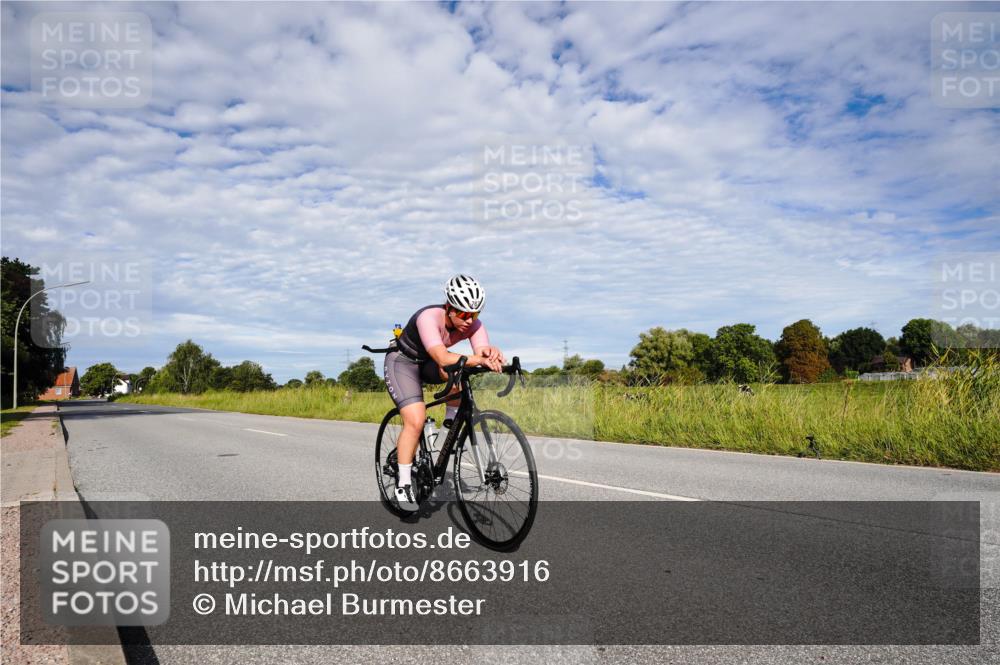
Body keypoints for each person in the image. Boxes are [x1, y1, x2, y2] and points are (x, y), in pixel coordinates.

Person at [383, 274, 505, 510]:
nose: (469, 320)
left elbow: (480, 353)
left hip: (427, 363)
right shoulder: (428, 317)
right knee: (415, 420)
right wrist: (477, 358)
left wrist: (491, 354)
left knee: (459, 378)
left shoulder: (474, 325)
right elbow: (441, 356)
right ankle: (404, 483)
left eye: (475, 314)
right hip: (402, 362)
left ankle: (444, 433)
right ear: (449, 307)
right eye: (463, 314)